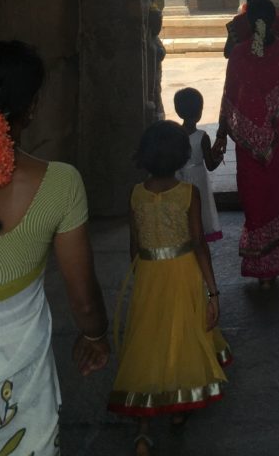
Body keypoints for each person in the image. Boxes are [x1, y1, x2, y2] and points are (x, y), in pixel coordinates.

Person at [0, 40, 109, 456]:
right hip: (20, 379)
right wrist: (95, 335)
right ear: (31, 109)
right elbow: (83, 298)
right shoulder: (60, 184)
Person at [107, 120, 230, 455]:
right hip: (183, 272)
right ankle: (179, 409)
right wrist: (212, 291)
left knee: (147, 338)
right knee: (182, 333)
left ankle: (143, 431)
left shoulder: (135, 194)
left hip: (148, 272)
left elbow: (134, 247)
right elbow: (198, 243)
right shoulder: (188, 193)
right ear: (180, 156)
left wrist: (145, 275)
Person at [217, 0, 279, 285]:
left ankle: (264, 270)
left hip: (250, 142)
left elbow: (230, 100)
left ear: (249, 22)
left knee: (257, 198)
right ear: (274, 21)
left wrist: (225, 133)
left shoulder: (239, 55)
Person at [174, 87, 224, 242]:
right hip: (198, 179)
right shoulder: (202, 137)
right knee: (200, 209)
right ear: (199, 112)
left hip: (180, 179)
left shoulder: (175, 134)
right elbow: (210, 165)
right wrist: (219, 154)